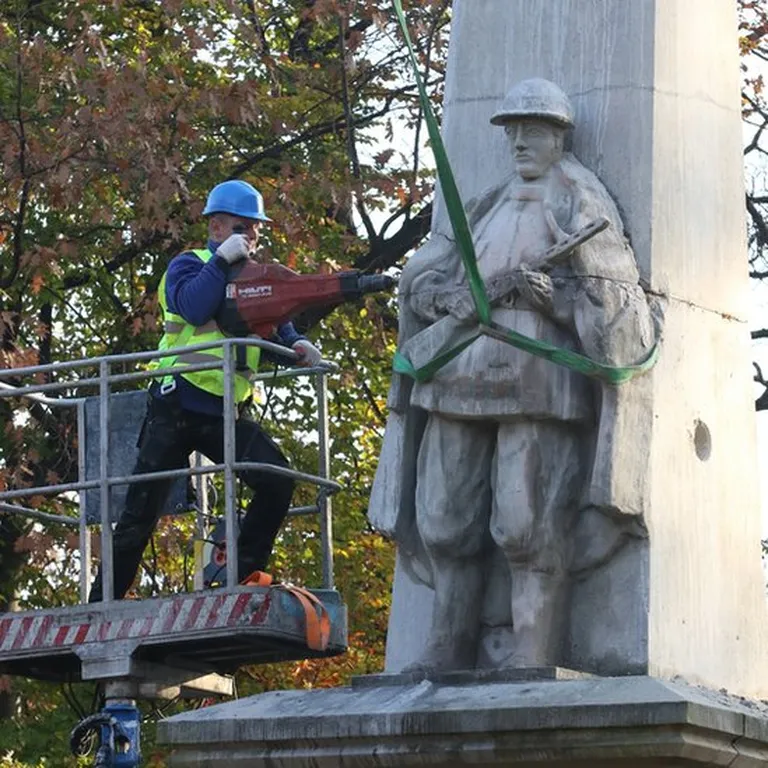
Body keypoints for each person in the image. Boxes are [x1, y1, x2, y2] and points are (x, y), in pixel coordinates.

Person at [369, 79, 658, 671]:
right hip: (454, 376)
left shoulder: (580, 202)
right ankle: (447, 644)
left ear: (559, 137)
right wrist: (444, 297)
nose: (520, 141)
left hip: (538, 384)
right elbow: (425, 273)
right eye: (513, 130)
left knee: (526, 525)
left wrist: (555, 298)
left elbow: (614, 302)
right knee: (444, 520)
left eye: (534, 130)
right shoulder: (485, 201)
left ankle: (532, 648)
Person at [89, 179, 323, 602]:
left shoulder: (254, 278)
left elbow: (278, 323)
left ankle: (240, 576)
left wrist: (297, 345)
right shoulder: (188, 264)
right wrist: (220, 264)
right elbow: (194, 306)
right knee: (141, 511)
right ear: (217, 227)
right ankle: (101, 602)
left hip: (225, 415)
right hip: (176, 404)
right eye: (244, 226)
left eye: (255, 228)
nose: (252, 236)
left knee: (277, 480)